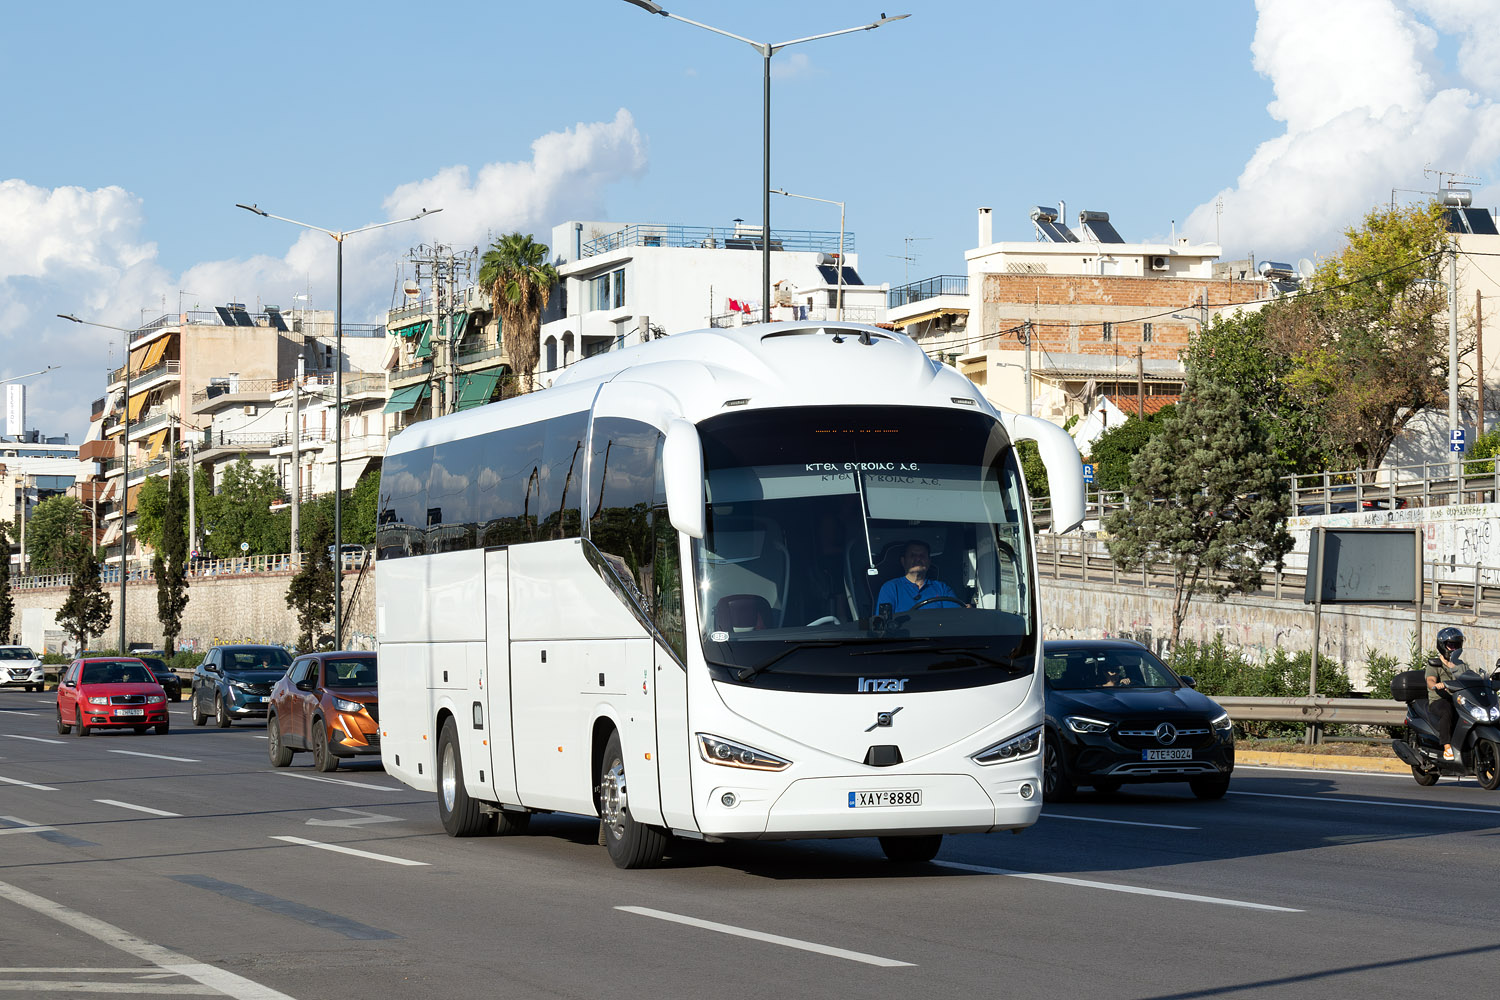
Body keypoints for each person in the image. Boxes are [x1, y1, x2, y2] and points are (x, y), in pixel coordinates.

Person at [876, 540, 963, 613]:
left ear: (929, 561)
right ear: (903, 561)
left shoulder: (942, 589)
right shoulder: (890, 588)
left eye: (922, 556)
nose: (918, 559)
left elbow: (955, 617)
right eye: (913, 555)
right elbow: (883, 623)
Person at [1426, 626, 1465, 762]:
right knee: (1447, 710)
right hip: (1439, 700)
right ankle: (1447, 746)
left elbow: (1471, 677)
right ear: (1442, 645)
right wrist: (1435, 685)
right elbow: (1430, 680)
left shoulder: (1461, 665)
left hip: (1458, 699)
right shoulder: (1435, 664)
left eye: (1456, 645)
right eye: (1450, 645)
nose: (1453, 648)